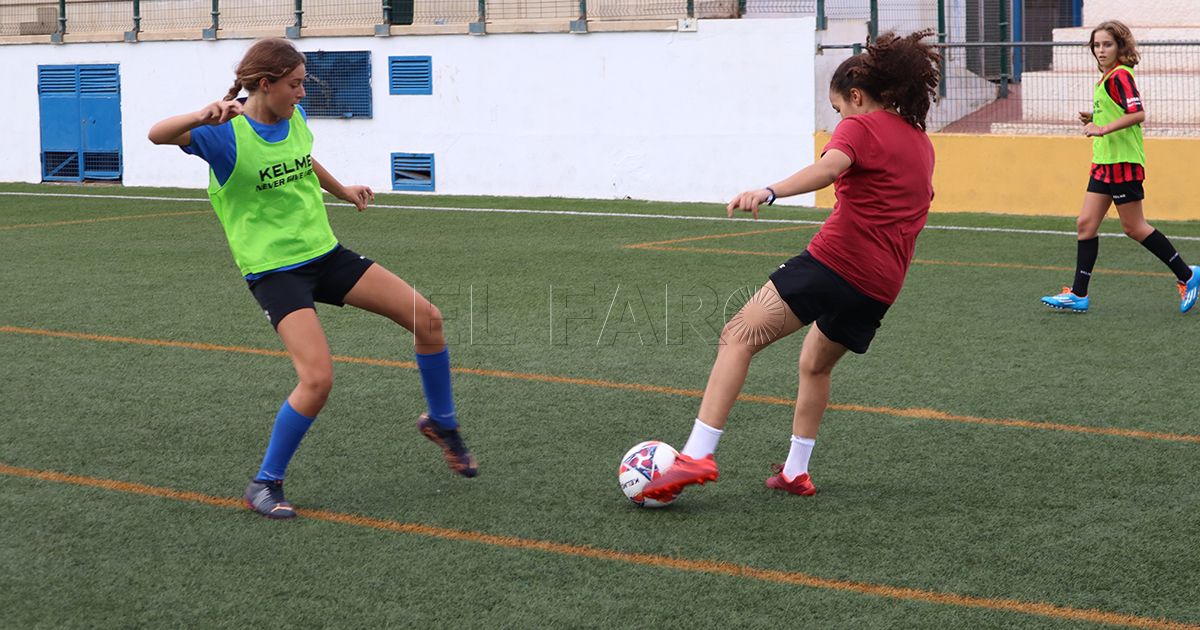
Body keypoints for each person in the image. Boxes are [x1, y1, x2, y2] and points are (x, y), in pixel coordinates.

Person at [148, 38, 476, 520]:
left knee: (426, 318)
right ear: (265, 84)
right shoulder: (224, 133)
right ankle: (265, 483)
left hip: (325, 255)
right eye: (295, 84)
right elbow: (157, 134)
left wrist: (341, 189)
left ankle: (442, 423)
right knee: (317, 379)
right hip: (275, 272)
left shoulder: (292, 118)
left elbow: (302, 160)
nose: (302, 94)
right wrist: (201, 117)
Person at [643, 31, 939, 501]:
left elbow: (830, 168)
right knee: (815, 366)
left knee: (737, 336)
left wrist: (770, 190)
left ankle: (697, 454)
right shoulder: (921, 143)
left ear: (857, 96)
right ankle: (795, 471)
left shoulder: (860, 128)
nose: (838, 117)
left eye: (839, 107)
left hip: (835, 262)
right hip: (881, 286)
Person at [1040, 20, 1200, 314]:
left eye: (1107, 45)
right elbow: (1118, 110)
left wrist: (1101, 128)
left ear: (1120, 46)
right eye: (1097, 45)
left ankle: (1188, 275)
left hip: (1122, 164)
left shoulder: (1120, 77)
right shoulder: (1107, 78)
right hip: (1104, 163)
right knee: (1085, 224)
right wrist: (1096, 115)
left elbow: (1137, 113)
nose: (1101, 50)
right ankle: (1078, 293)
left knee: (1134, 227)